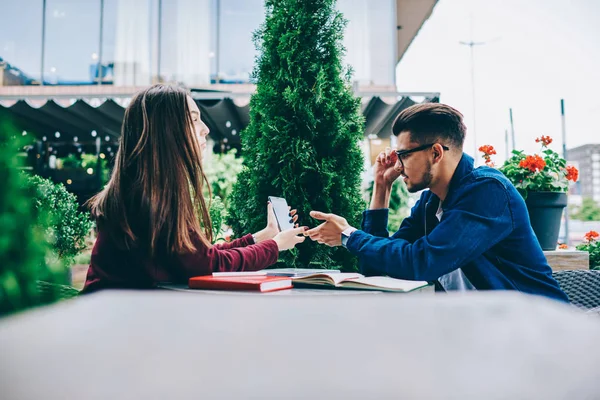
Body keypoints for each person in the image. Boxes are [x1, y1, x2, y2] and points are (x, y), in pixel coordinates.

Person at [306, 103, 568, 302]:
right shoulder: (431, 202)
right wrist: (382, 188)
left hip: (535, 329)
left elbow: (422, 262)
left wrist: (348, 235)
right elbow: (377, 267)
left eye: (403, 155)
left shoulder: (487, 191)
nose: (397, 164)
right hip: (481, 332)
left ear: (435, 152)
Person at [82, 84, 306, 293]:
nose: (206, 129)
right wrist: (274, 246)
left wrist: (263, 237)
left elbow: (199, 257)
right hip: (110, 322)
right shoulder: (150, 198)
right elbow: (207, 265)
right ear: (166, 130)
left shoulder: (150, 190)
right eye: (194, 119)